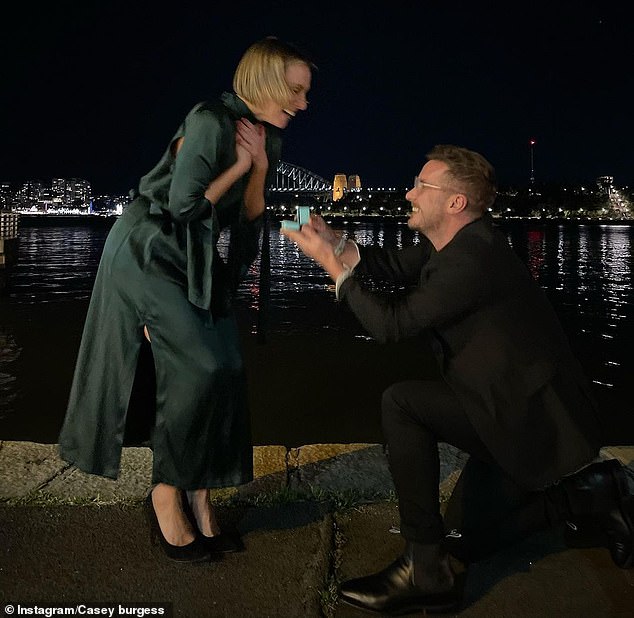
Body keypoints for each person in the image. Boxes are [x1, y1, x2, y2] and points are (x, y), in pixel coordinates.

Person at [281, 144, 633, 614]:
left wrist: (333, 267)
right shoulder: (456, 243)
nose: (409, 193)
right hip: (499, 404)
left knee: (404, 408)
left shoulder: (473, 261)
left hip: (528, 421)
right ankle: (588, 493)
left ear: (454, 203)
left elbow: (392, 325)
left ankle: (426, 570)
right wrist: (340, 241)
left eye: (421, 186)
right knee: (464, 539)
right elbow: (387, 265)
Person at [58, 37, 314, 563]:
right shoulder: (209, 120)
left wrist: (260, 165)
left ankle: (201, 492)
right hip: (150, 250)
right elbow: (184, 206)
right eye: (296, 90)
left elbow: (246, 219)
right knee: (198, 366)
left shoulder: (265, 138)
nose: (304, 102)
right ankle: (168, 494)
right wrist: (240, 167)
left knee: (227, 367)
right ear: (265, 82)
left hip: (193, 256)